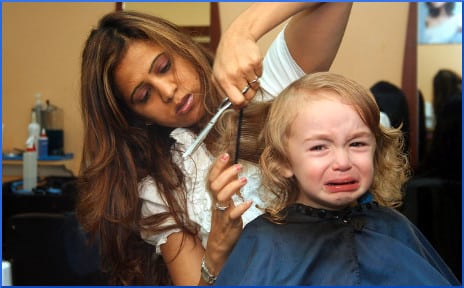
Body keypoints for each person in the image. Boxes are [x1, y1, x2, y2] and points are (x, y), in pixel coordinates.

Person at [76, 3, 352, 285]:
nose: (169, 91)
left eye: (164, 66)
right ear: (137, 116)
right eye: (145, 95)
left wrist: (241, 31)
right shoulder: (163, 189)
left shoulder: (268, 90)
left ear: (181, 47)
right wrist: (218, 250)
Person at [210, 72, 460, 285]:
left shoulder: (396, 228)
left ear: (377, 151)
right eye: (319, 147)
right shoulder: (263, 242)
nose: (343, 162)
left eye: (357, 143)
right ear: (284, 162)